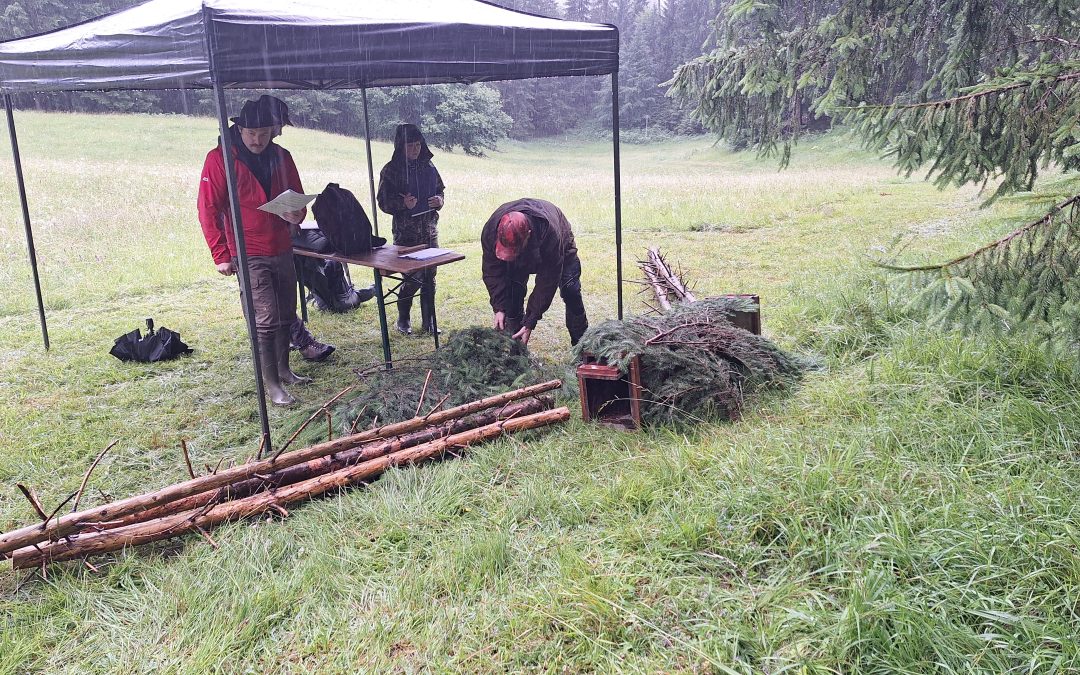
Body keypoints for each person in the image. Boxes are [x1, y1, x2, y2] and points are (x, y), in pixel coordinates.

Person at [197, 94, 312, 405]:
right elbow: (207, 208)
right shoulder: (220, 159)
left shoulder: (282, 156)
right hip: (247, 250)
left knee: (287, 312)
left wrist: (296, 215)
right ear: (240, 130)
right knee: (266, 318)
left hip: (282, 246)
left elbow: (297, 197)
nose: (258, 140)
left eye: (264, 134)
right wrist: (220, 254)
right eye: (251, 134)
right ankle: (272, 384)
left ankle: (286, 371)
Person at [480, 198, 588, 346]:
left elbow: (547, 282)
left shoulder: (551, 235)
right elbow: (491, 270)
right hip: (521, 246)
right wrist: (499, 307)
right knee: (512, 295)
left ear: (528, 234)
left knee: (571, 289)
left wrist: (531, 320)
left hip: (560, 241)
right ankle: (516, 351)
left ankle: (582, 345)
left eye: (514, 251)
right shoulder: (491, 231)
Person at [376, 123, 446, 335]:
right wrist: (402, 204)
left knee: (429, 276)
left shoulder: (429, 166)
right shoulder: (391, 170)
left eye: (418, 145)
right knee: (412, 277)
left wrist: (439, 200)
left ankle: (429, 322)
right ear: (400, 146)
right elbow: (383, 201)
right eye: (410, 146)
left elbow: (440, 189)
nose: (415, 150)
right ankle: (403, 319)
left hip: (429, 229)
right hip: (406, 233)